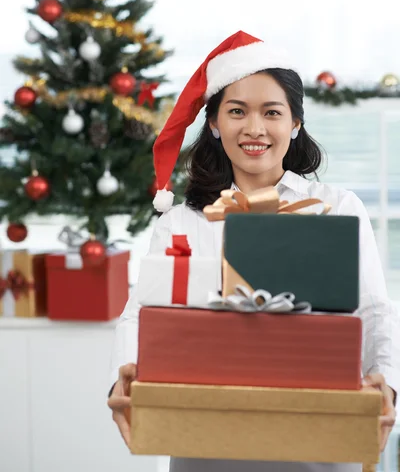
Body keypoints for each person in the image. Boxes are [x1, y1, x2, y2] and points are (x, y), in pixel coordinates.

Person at [108, 30, 399, 472]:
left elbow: (376, 310)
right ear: (213, 122)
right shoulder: (182, 221)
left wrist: (388, 386)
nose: (254, 128)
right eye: (237, 111)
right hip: (205, 432)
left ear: (296, 124)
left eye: (272, 112)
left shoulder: (336, 208)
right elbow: (141, 312)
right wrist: (126, 375)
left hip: (319, 430)